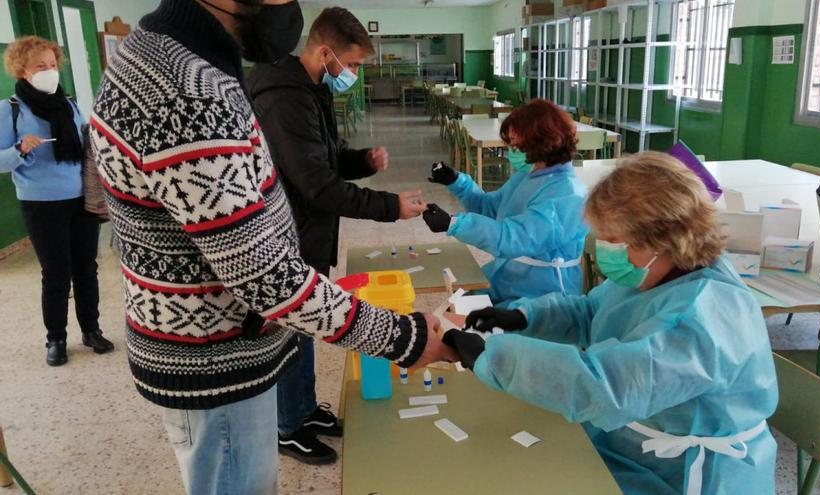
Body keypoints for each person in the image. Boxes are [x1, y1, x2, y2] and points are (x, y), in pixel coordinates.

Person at [88, 1, 454, 493]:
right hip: (215, 359)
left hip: (217, 342)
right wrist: (403, 338)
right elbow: (264, 275)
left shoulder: (178, 60)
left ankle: (298, 413)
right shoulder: (187, 92)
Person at [442, 152, 778, 495]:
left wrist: (493, 357)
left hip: (692, 474)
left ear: (663, 239)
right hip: (637, 442)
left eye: (615, 241)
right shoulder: (655, 272)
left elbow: (605, 386)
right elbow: (592, 313)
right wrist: (524, 316)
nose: (605, 251)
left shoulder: (702, 317)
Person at [247, 7, 427, 464]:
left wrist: (362, 160)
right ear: (325, 51)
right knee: (289, 328)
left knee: (302, 325)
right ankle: (287, 426)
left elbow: (325, 158)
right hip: (286, 232)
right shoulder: (283, 98)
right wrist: (391, 207)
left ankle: (303, 410)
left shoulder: (311, 89)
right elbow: (317, 186)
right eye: (353, 64)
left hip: (309, 230)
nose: (354, 73)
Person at [0, 35, 114, 366]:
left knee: (86, 268)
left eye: (52, 65)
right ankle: (56, 339)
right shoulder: (10, 110)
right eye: (41, 66)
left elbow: (87, 148)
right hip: (41, 203)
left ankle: (91, 330)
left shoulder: (71, 104)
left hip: (81, 199)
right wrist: (19, 149)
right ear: (22, 70)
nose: (50, 71)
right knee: (56, 272)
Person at [422, 99, 588, 306]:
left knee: (466, 325)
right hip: (510, 277)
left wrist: (454, 224)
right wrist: (457, 182)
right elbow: (491, 209)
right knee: (456, 311)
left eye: (517, 145)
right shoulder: (529, 175)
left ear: (542, 142)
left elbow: (515, 239)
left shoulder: (568, 195)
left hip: (543, 293)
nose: (513, 150)